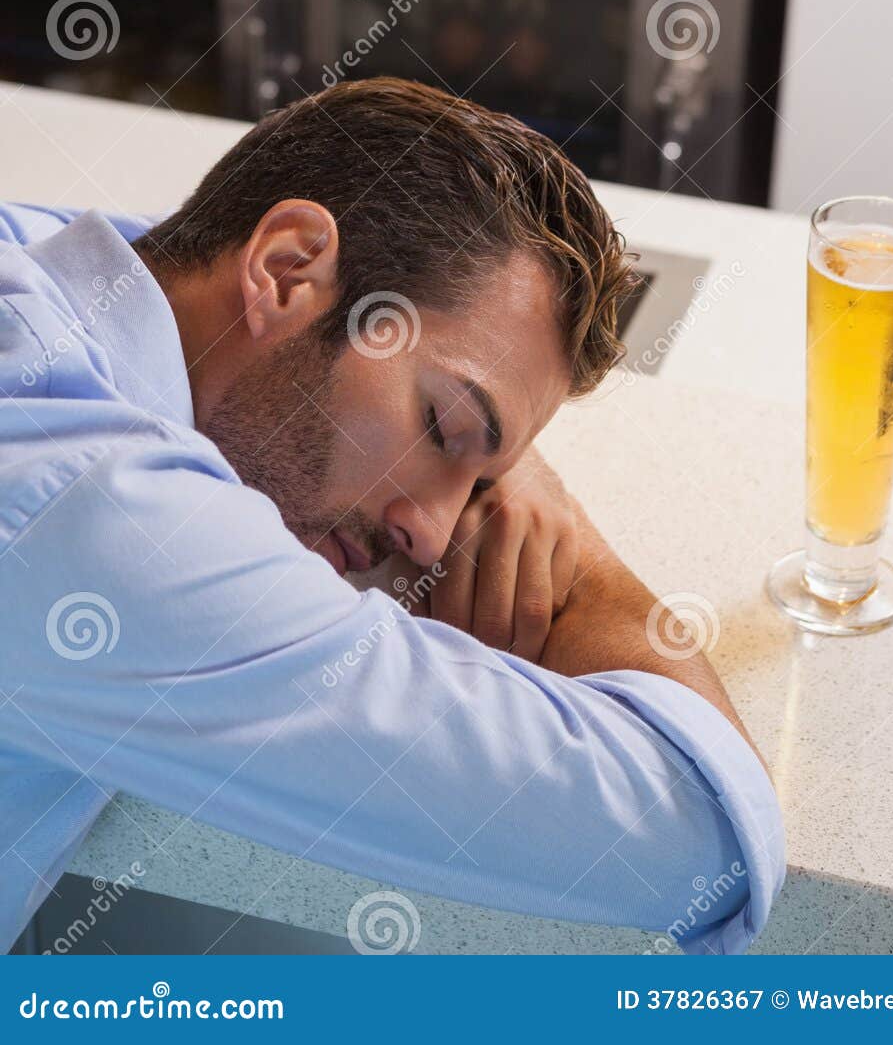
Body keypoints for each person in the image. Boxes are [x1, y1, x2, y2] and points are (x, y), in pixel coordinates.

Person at [0, 79, 784, 953]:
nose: (436, 537)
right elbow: (698, 830)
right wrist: (584, 569)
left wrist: (501, 455)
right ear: (286, 268)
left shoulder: (43, 271)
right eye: (443, 423)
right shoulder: (99, 517)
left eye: (479, 475)